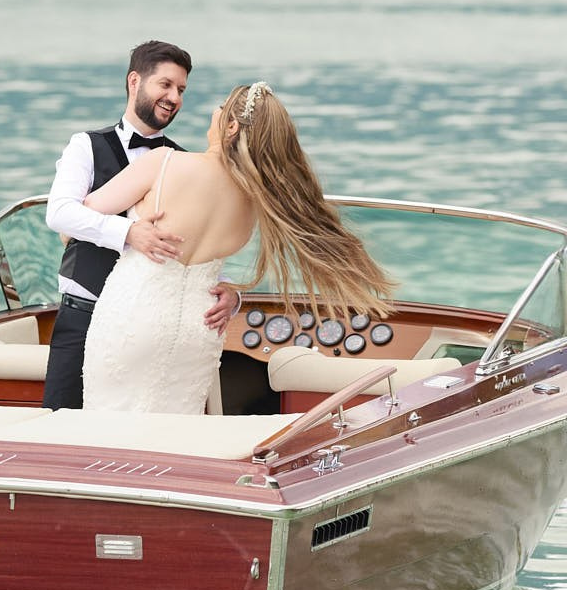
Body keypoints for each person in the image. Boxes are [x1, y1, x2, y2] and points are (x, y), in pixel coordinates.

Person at [79, 82, 395, 414]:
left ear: (231, 126)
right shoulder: (254, 200)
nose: (214, 112)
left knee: (108, 426)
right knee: (176, 433)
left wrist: (129, 230)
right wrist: (234, 294)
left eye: (221, 106)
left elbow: (85, 212)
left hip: (133, 316)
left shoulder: (165, 162)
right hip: (200, 328)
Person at [41, 41, 238, 409]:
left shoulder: (182, 161)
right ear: (135, 81)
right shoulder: (86, 145)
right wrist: (128, 233)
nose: (174, 97)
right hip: (83, 315)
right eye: (165, 84)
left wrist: (232, 295)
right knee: (62, 430)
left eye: (181, 90)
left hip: (148, 330)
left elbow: (196, 245)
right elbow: (60, 213)